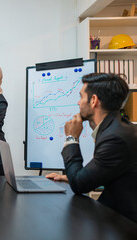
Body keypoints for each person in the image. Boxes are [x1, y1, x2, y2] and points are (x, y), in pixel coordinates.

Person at [48, 73, 137, 222]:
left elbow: (79, 185)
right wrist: (69, 177)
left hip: (124, 224)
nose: (78, 103)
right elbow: (109, 174)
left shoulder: (114, 138)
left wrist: (71, 138)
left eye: (81, 97)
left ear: (94, 100)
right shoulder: (116, 127)